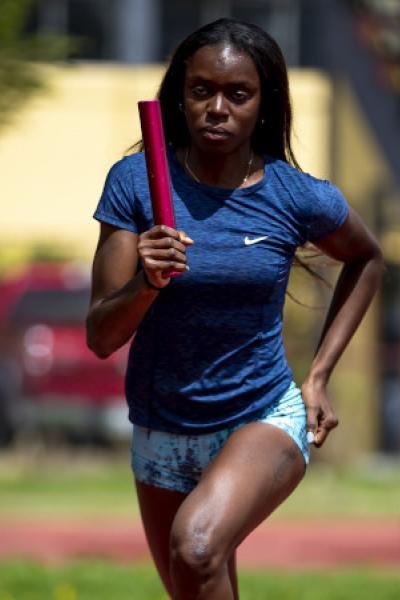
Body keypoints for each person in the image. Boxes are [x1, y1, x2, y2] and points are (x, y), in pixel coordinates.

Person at [86, 18, 383, 600]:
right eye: (202, 91)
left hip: (261, 413)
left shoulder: (296, 194)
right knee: (197, 580)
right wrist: (146, 283)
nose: (217, 107)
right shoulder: (136, 184)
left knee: (195, 550)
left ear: (264, 104)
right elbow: (101, 335)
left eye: (237, 94)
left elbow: (367, 259)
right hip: (161, 427)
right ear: (181, 96)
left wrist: (319, 376)